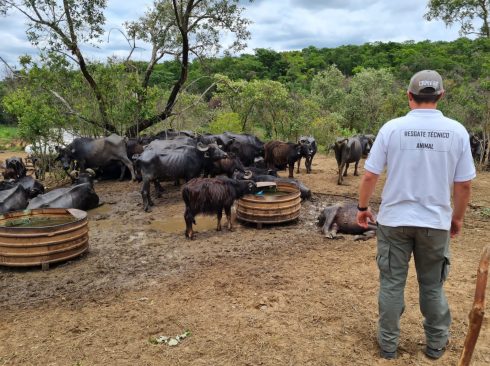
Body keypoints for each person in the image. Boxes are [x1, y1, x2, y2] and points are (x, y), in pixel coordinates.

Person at [356, 70, 476, 360]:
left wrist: (362, 208)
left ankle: (388, 345)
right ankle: (435, 345)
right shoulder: (457, 131)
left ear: (409, 96)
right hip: (435, 224)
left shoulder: (391, 129)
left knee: (392, 284)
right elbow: (464, 185)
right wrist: (456, 218)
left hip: (394, 221)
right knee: (432, 286)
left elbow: (370, 175)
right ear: (441, 96)